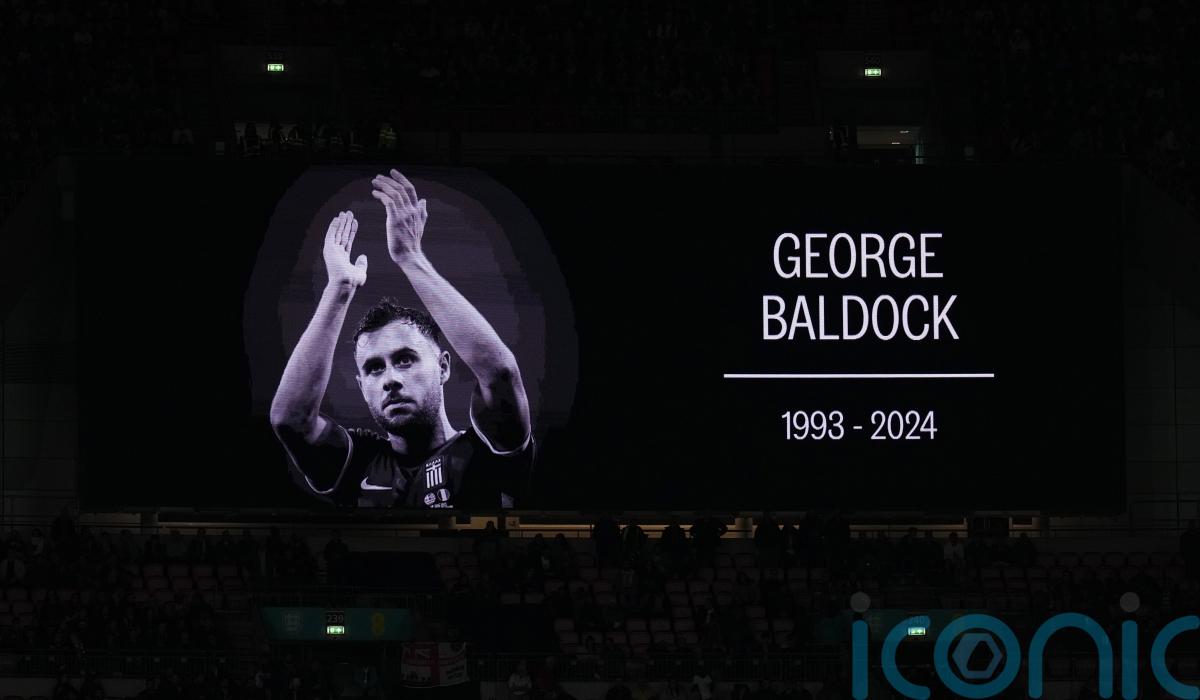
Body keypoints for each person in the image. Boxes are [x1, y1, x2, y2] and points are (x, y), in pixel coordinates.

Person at [270, 169, 533, 509]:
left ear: (443, 366)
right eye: (374, 368)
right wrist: (339, 289)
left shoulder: (488, 449)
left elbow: (500, 373)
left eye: (405, 359)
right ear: (362, 385)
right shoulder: (357, 463)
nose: (390, 379)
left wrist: (411, 257)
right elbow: (290, 420)